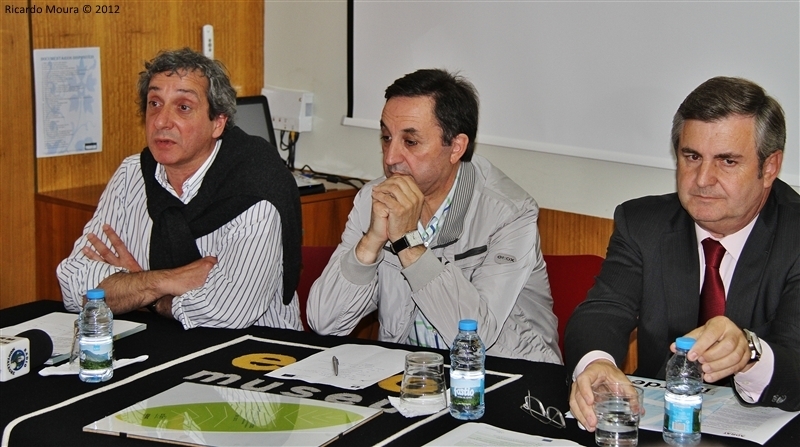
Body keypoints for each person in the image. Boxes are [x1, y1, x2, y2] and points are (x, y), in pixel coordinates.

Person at [566, 76, 800, 431]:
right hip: (661, 427)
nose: (702, 179)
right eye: (692, 156)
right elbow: (603, 310)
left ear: (769, 167)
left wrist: (750, 353)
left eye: (727, 161)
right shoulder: (643, 223)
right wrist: (596, 363)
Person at [306, 69, 561, 363]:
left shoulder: (509, 213)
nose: (390, 157)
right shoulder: (373, 199)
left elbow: (473, 338)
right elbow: (324, 322)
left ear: (456, 147)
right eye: (386, 138)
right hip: (412, 375)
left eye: (410, 142)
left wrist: (407, 243)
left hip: (503, 374)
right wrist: (371, 241)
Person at [58, 48, 303, 330]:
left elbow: (227, 312)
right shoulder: (132, 173)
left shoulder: (255, 189)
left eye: (183, 107)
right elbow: (74, 286)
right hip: (154, 340)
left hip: (256, 347)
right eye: (154, 103)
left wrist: (138, 292)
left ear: (217, 123)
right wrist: (162, 281)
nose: (161, 121)